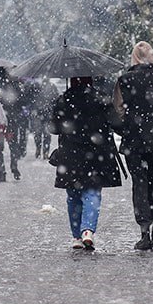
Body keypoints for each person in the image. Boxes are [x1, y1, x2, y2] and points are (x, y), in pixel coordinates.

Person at [113, 41, 153, 251]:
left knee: (139, 184)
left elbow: (118, 111)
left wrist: (127, 128)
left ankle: (144, 232)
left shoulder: (124, 80)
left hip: (134, 141)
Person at [48, 76, 122, 250]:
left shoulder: (64, 100)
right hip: (96, 154)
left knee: (73, 195)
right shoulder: (101, 98)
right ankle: (87, 230)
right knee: (92, 192)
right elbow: (116, 123)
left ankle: (76, 236)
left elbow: (53, 128)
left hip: (70, 154)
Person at [0, 67, 27, 181]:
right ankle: (14, 167)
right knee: (13, 145)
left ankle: (2, 172)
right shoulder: (13, 85)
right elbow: (22, 101)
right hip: (12, 120)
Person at [31, 78, 59, 160]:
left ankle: (40, 149)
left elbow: (32, 99)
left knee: (39, 133)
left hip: (42, 113)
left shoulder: (37, 86)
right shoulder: (51, 87)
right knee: (44, 134)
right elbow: (55, 99)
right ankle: (44, 151)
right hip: (46, 113)